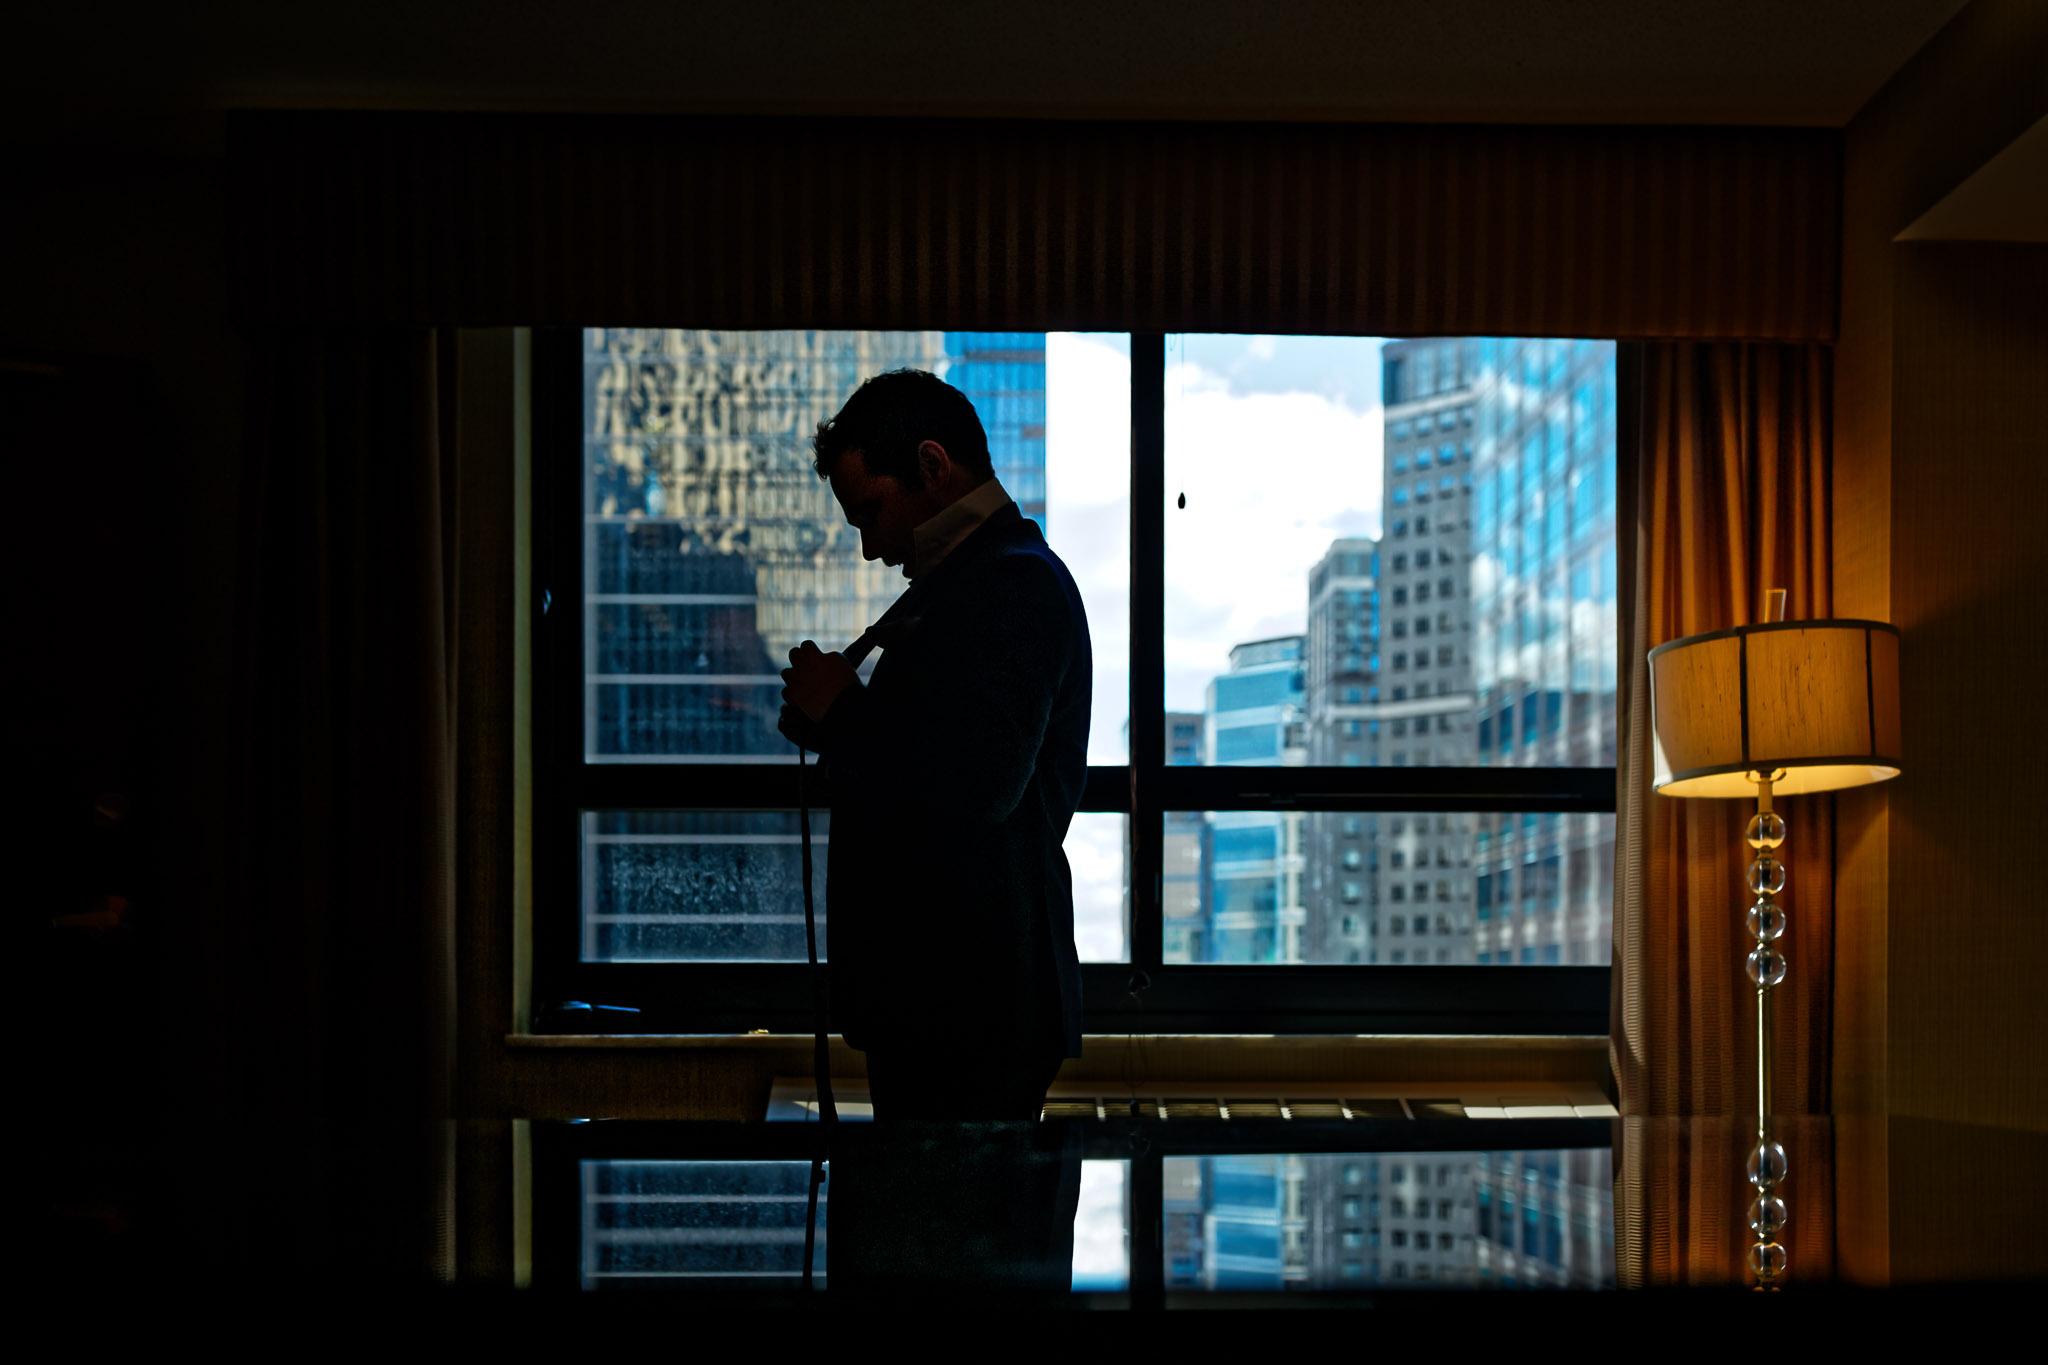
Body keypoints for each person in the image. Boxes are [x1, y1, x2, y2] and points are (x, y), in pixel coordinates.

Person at [777, 368, 1089, 1121]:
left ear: (931, 466)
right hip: (963, 1004)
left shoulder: (1013, 588)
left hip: (969, 1010)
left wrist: (842, 712)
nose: (870, 547)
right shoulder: (991, 583)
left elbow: (975, 784)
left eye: (873, 512)